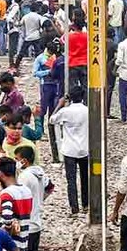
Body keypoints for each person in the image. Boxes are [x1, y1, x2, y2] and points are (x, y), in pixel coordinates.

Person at [14, 145, 49, 251]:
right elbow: (50, 187)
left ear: (24, 161)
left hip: (26, 226)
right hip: (36, 223)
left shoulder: (25, 177)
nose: (16, 163)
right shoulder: (39, 173)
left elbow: (19, 200)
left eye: (17, 159)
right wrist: (39, 202)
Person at [48, 86, 89, 215]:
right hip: (84, 149)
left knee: (71, 180)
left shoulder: (65, 111)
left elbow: (51, 120)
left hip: (69, 150)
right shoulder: (87, 110)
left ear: (69, 98)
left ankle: (74, 207)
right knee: (84, 178)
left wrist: (59, 105)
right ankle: (86, 203)